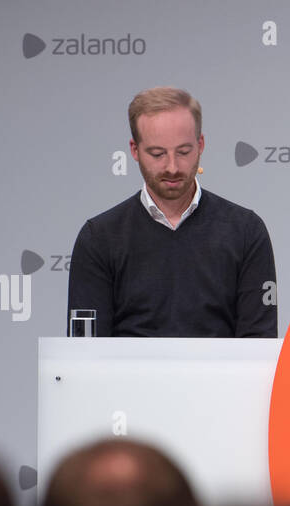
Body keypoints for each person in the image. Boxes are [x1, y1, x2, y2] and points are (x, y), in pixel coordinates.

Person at [67, 87, 277, 338]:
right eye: (157, 154)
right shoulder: (99, 238)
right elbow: (85, 351)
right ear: (134, 150)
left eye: (183, 152)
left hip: (220, 367)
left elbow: (259, 344)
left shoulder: (245, 231)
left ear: (200, 145)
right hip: (126, 367)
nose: (172, 167)